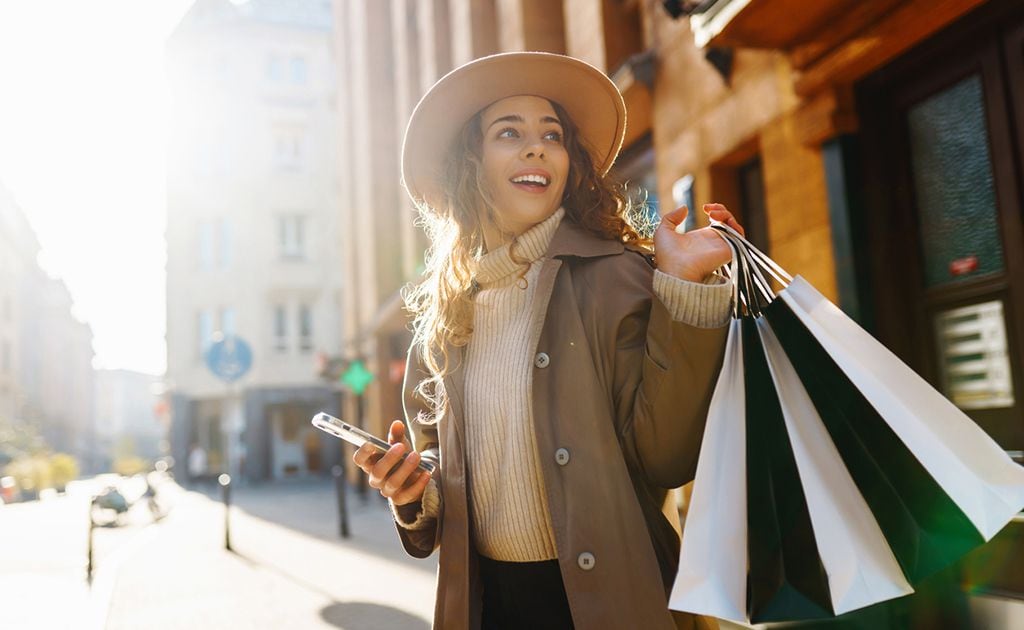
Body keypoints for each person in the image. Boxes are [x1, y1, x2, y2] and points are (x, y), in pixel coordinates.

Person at [353, 52, 745, 630]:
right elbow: (444, 463)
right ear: (471, 162)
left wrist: (686, 291)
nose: (536, 147)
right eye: (508, 131)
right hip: (489, 609)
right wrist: (415, 491)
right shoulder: (440, 321)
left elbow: (666, 458)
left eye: (552, 135)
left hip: (620, 601)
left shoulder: (619, 276)